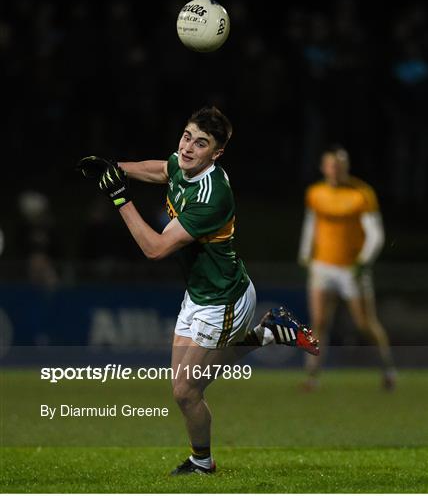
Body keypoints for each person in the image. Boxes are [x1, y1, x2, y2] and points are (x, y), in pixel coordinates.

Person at [77, 106, 319, 475]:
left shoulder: (212, 196)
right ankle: (268, 333)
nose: (188, 148)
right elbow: (162, 168)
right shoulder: (183, 162)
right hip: (200, 293)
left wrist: (119, 197)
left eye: (200, 143)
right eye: (187, 136)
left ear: (216, 154)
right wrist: (117, 166)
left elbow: (155, 249)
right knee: (184, 385)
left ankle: (203, 463)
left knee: (186, 391)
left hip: (224, 299)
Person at [298, 145, 396, 391]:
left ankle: (388, 368)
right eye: (330, 165)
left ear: (346, 167)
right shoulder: (315, 193)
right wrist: (305, 253)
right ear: (323, 167)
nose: (334, 170)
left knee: (364, 323)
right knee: (319, 321)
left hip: (352, 268)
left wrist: (363, 261)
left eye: (339, 165)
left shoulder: (361, 193)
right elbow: (311, 224)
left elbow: (376, 234)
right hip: (323, 266)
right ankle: (312, 376)